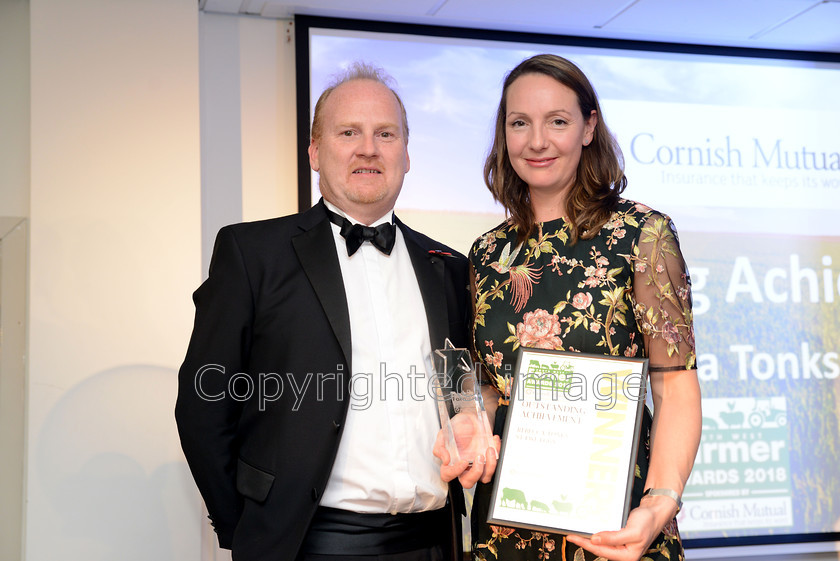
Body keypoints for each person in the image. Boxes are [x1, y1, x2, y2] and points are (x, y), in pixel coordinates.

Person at [175, 63, 492, 561]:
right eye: (349, 132)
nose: (369, 148)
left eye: (385, 134)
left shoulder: (449, 267)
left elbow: (459, 395)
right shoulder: (252, 253)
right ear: (315, 152)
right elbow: (203, 406)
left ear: (406, 155)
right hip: (306, 546)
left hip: (434, 543)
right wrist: (250, 533)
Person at [459, 54, 702, 561]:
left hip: (616, 527)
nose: (537, 141)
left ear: (589, 127)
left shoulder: (642, 235)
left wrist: (659, 504)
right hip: (509, 529)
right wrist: (468, 430)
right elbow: (487, 390)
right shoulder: (486, 254)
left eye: (558, 122)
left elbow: (675, 386)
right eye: (519, 123)